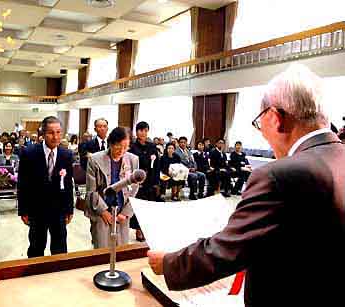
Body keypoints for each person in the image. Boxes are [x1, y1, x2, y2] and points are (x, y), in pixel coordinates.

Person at [147, 64, 345, 307]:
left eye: (260, 124)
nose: (262, 134)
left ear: (275, 117)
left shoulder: (278, 175)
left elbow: (227, 251)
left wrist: (168, 263)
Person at [18, 116, 74, 258]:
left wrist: (69, 209)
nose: (55, 137)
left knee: (60, 246)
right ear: (42, 133)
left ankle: (58, 275)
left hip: (59, 209)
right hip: (37, 209)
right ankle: (35, 276)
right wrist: (23, 210)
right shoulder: (29, 153)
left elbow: (68, 184)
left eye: (58, 132)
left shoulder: (66, 154)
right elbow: (23, 184)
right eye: (50, 132)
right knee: (36, 246)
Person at [85, 127, 139, 248]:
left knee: (121, 248)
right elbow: (91, 190)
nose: (122, 150)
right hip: (101, 211)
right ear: (111, 143)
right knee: (102, 248)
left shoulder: (133, 159)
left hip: (122, 211)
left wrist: (125, 213)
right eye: (118, 146)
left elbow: (134, 188)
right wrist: (103, 211)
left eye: (126, 147)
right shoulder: (95, 159)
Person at [129, 122, 160, 241]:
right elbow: (130, 166)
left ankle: (145, 229)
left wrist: (156, 182)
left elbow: (157, 165)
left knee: (148, 206)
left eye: (145, 130)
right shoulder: (132, 147)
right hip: (138, 182)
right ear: (136, 132)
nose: (143, 133)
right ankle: (138, 230)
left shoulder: (152, 147)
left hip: (150, 181)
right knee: (138, 207)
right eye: (141, 130)